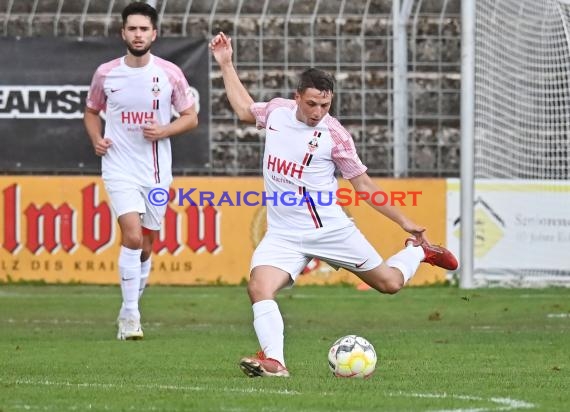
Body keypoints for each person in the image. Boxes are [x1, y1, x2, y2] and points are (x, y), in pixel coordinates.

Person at [209, 32, 458, 377]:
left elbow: (363, 185)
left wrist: (404, 222)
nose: (318, 112)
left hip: (329, 230)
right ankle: (275, 362)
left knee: (389, 284)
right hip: (282, 234)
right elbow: (243, 108)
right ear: (297, 97)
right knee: (258, 287)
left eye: (325, 105)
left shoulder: (335, 135)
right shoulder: (278, 112)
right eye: (311, 104)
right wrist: (226, 63)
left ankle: (419, 253)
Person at [84, 1, 198, 340]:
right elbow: (91, 112)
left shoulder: (169, 74)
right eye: (132, 28)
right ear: (123, 33)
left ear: (154, 33)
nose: (138, 34)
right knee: (131, 236)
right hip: (118, 166)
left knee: (146, 244)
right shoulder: (106, 73)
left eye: (143, 29)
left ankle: (129, 304)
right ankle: (131, 316)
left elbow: (191, 117)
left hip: (156, 172)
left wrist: (164, 130)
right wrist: (96, 139)